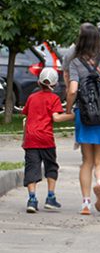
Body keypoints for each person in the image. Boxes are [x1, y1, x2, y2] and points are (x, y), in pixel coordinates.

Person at [66, 23, 100, 215]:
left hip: (84, 114)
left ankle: (86, 203)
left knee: (86, 161)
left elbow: (72, 89)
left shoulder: (75, 62)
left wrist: (68, 107)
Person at [22, 68, 74, 213]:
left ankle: (32, 200)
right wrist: (72, 116)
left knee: (31, 169)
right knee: (51, 167)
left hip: (31, 139)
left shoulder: (32, 98)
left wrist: (23, 139)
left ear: (39, 82)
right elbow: (56, 118)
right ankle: (50, 197)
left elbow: (26, 119)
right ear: (55, 84)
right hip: (46, 140)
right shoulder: (54, 98)